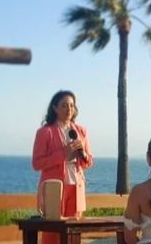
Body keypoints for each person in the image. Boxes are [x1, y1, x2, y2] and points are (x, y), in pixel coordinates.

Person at [32, 90, 94, 244]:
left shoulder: (81, 131)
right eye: (64, 105)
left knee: (73, 234)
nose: (69, 109)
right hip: (54, 188)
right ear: (55, 108)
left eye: (72, 105)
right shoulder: (45, 132)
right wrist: (63, 154)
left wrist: (83, 154)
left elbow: (89, 161)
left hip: (76, 187)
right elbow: (37, 163)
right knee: (52, 233)